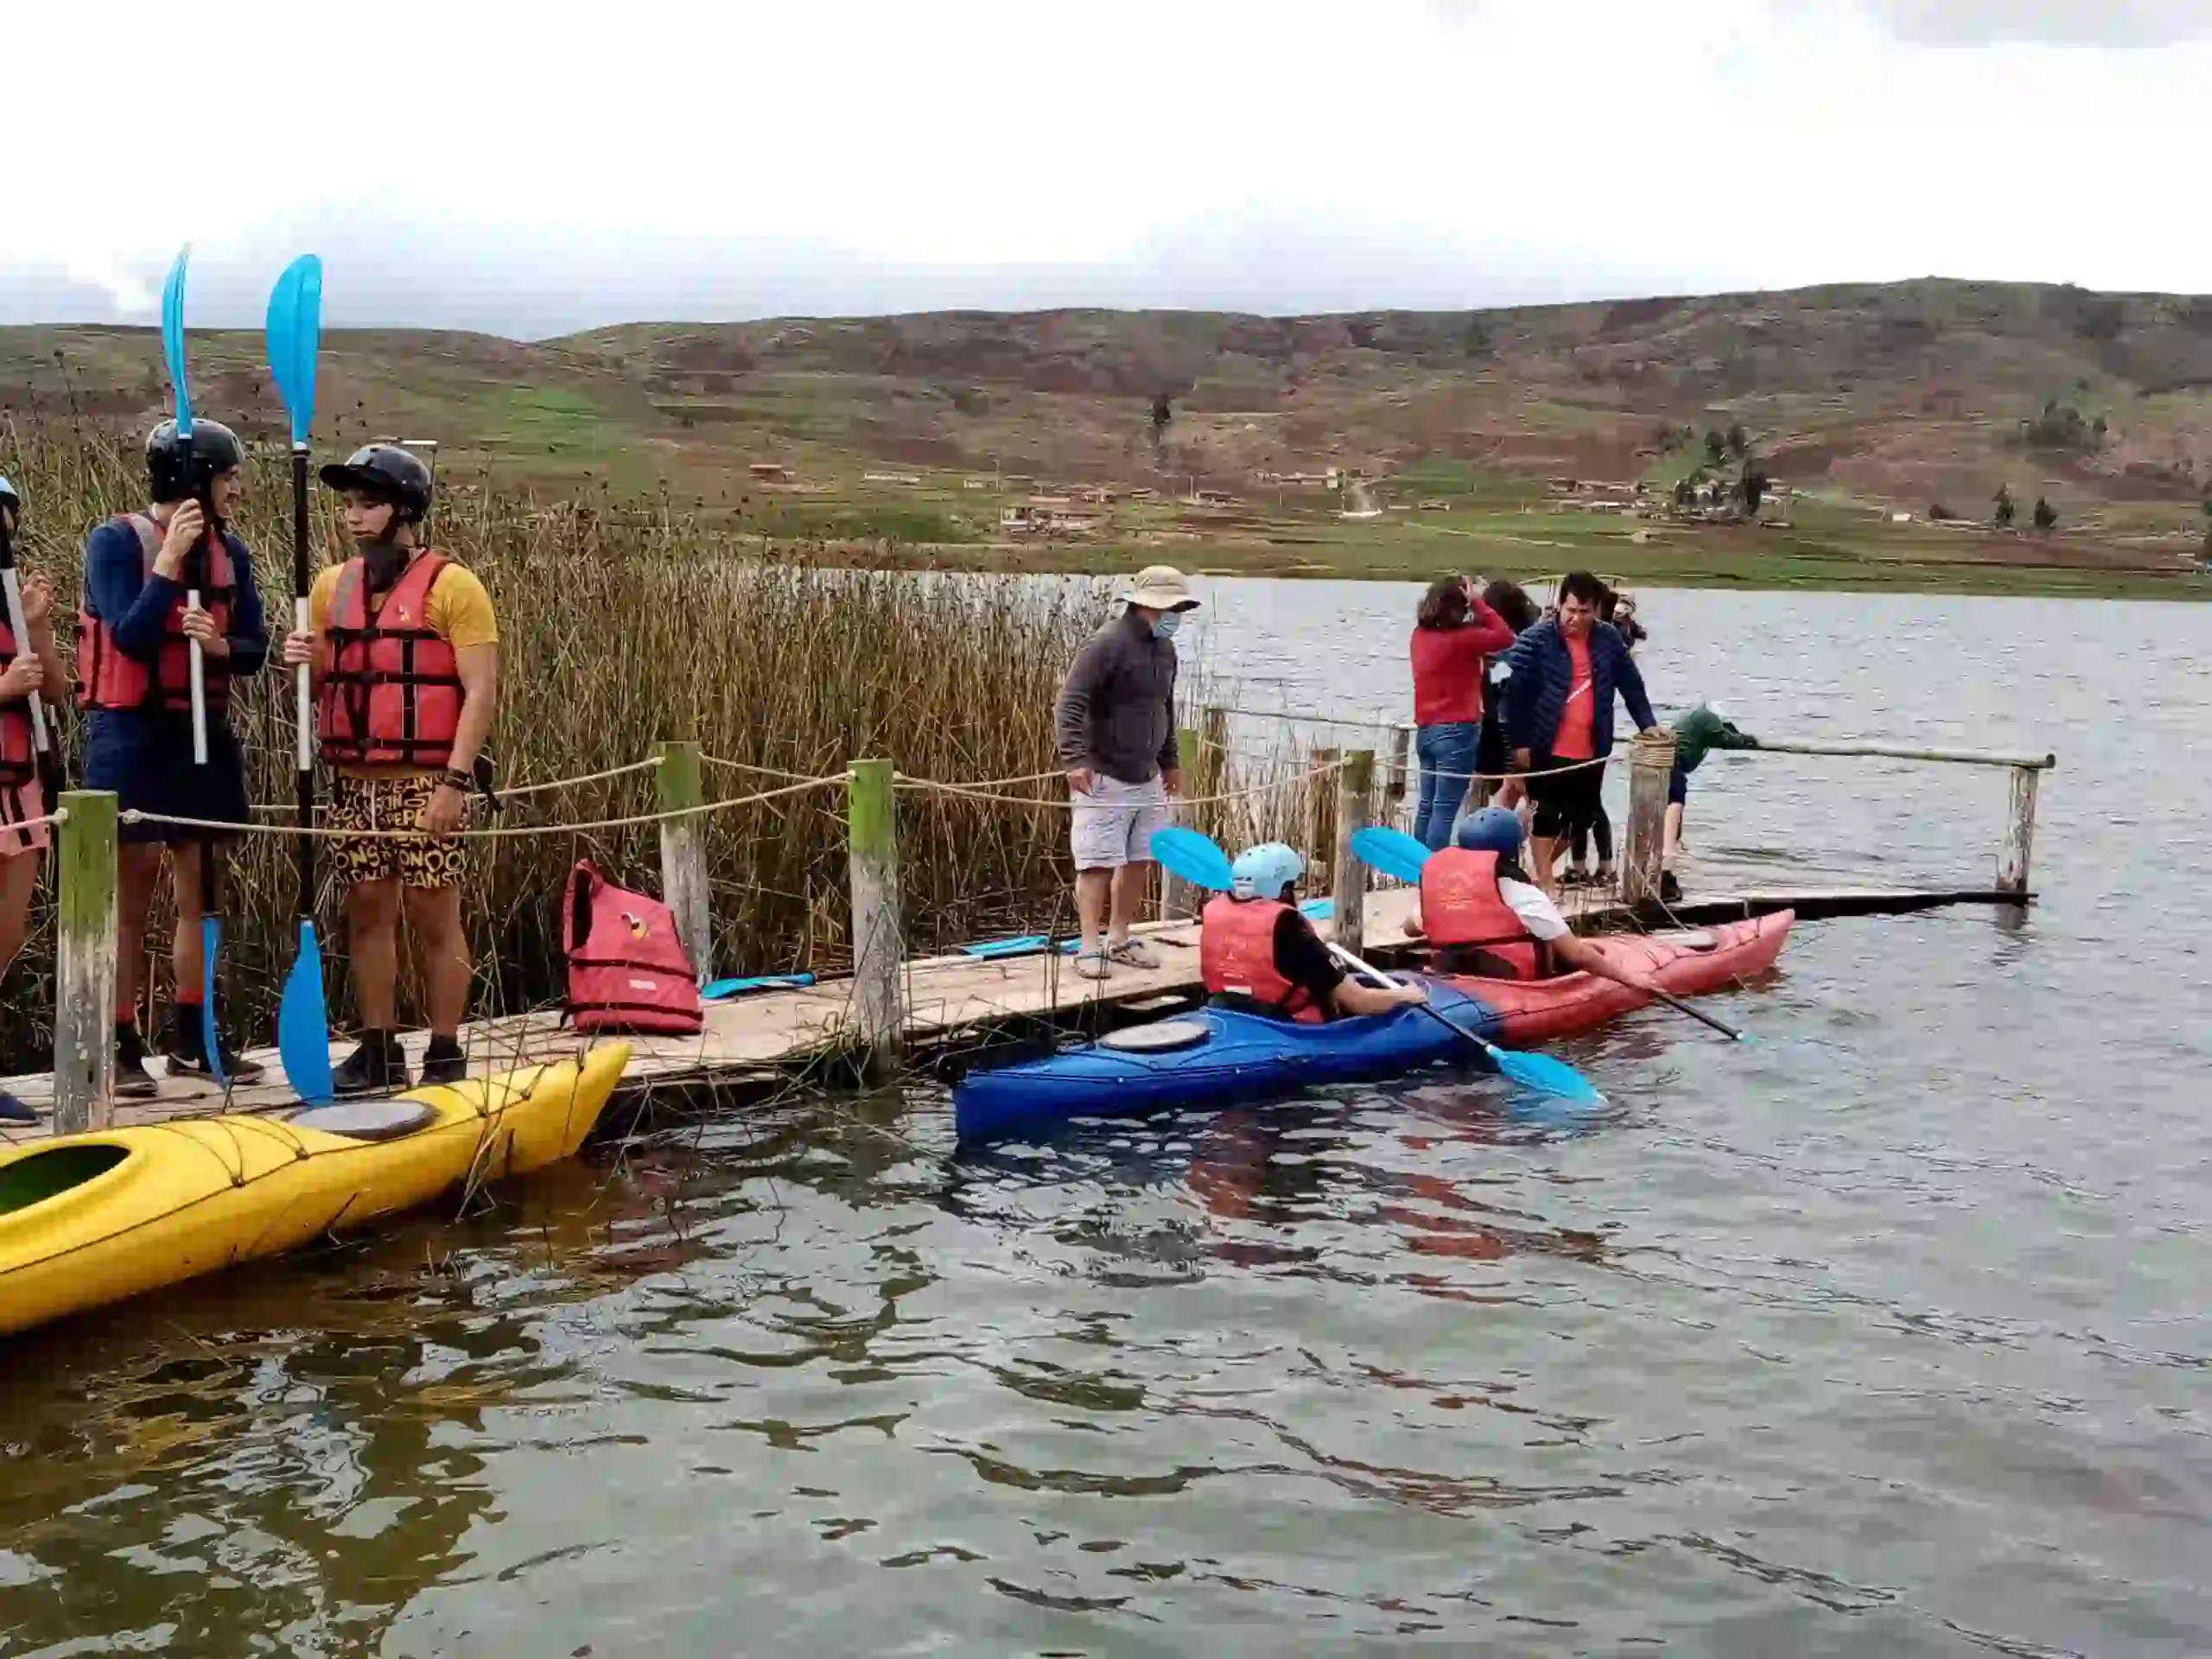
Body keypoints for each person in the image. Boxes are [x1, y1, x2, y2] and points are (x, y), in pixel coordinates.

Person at [283, 444, 499, 1095]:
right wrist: (301, 661)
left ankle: (445, 1050)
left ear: (404, 511)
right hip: (355, 786)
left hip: (426, 783)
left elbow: (480, 693)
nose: (353, 516)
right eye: (349, 504)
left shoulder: (455, 587)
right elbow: (320, 683)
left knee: (435, 917)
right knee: (367, 914)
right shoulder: (331, 587)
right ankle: (378, 1049)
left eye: (369, 504)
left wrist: (454, 784)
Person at [77, 420, 269, 1093]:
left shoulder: (231, 554)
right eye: (228, 478)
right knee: (130, 894)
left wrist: (219, 645)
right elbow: (129, 636)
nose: (237, 490)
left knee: (202, 894)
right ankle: (119, 1041)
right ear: (194, 481)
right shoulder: (113, 542)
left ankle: (195, 1035)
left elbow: (255, 649)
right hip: (131, 734)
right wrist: (168, 564)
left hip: (203, 732)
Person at [1054, 564, 1198, 981]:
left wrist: (1169, 761)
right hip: (1104, 774)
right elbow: (1070, 704)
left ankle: (1119, 939)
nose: (1178, 616)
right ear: (1148, 605)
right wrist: (1074, 760)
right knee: (1096, 862)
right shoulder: (1106, 644)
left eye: (1181, 608)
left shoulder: (1165, 651)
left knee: (1140, 859)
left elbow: (1164, 709)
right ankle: (1088, 947)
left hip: (1147, 775)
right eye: (1174, 607)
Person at [1502, 569, 1663, 897]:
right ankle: (1545, 879)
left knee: (1582, 819)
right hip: (1545, 743)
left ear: (1597, 610)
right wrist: (1518, 744)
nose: (1576, 618)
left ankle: (1536, 872)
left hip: (1591, 746)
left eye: (1584, 611)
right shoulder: (1536, 639)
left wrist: (1647, 723)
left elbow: (1631, 684)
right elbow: (1514, 696)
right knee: (1546, 815)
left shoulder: (1609, 640)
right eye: (1570, 610)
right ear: (1560, 605)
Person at [1403, 808, 1658, 992]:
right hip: (1507, 983)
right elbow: (1577, 954)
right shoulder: (1523, 895)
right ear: (1512, 851)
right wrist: (1631, 980)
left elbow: (1409, 929)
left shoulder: (1445, 888)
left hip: (1451, 975)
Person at [0, 477, 67, 1124]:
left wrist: (38, 628)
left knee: (8, 929)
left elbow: (56, 691)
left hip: (18, 786)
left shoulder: (10, 602)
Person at [1200, 842, 1428, 1021]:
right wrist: (1405, 996)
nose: (1298, 894)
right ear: (1281, 888)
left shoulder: (1215, 912)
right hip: (1287, 1026)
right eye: (1294, 885)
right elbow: (1360, 1002)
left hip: (1228, 1013)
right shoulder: (1290, 931)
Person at [1408, 573, 1515, 850]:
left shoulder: (1419, 636)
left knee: (1426, 805)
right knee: (1444, 810)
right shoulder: (1465, 639)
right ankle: (1433, 867)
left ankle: (1417, 866)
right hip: (1456, 733)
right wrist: (1479, 603)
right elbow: (1506, 637)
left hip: (1426, 731)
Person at [1663, 702, 1760, 900]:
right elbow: (1727, 739)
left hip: (1664, 765)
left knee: (1669, 822)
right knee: (1673, 817)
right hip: (1671, 766)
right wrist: (1749, 740)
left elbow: (1724, 736)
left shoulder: (1694, 718)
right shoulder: (1708, 718)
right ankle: (1666, 871)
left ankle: (1668, 863)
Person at [1477, 579, 1541, 815]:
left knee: (1507, 790)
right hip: (1507, 730)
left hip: (1498, 730)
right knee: (1513, 791)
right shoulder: (1526, 645)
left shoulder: (1505, 650)